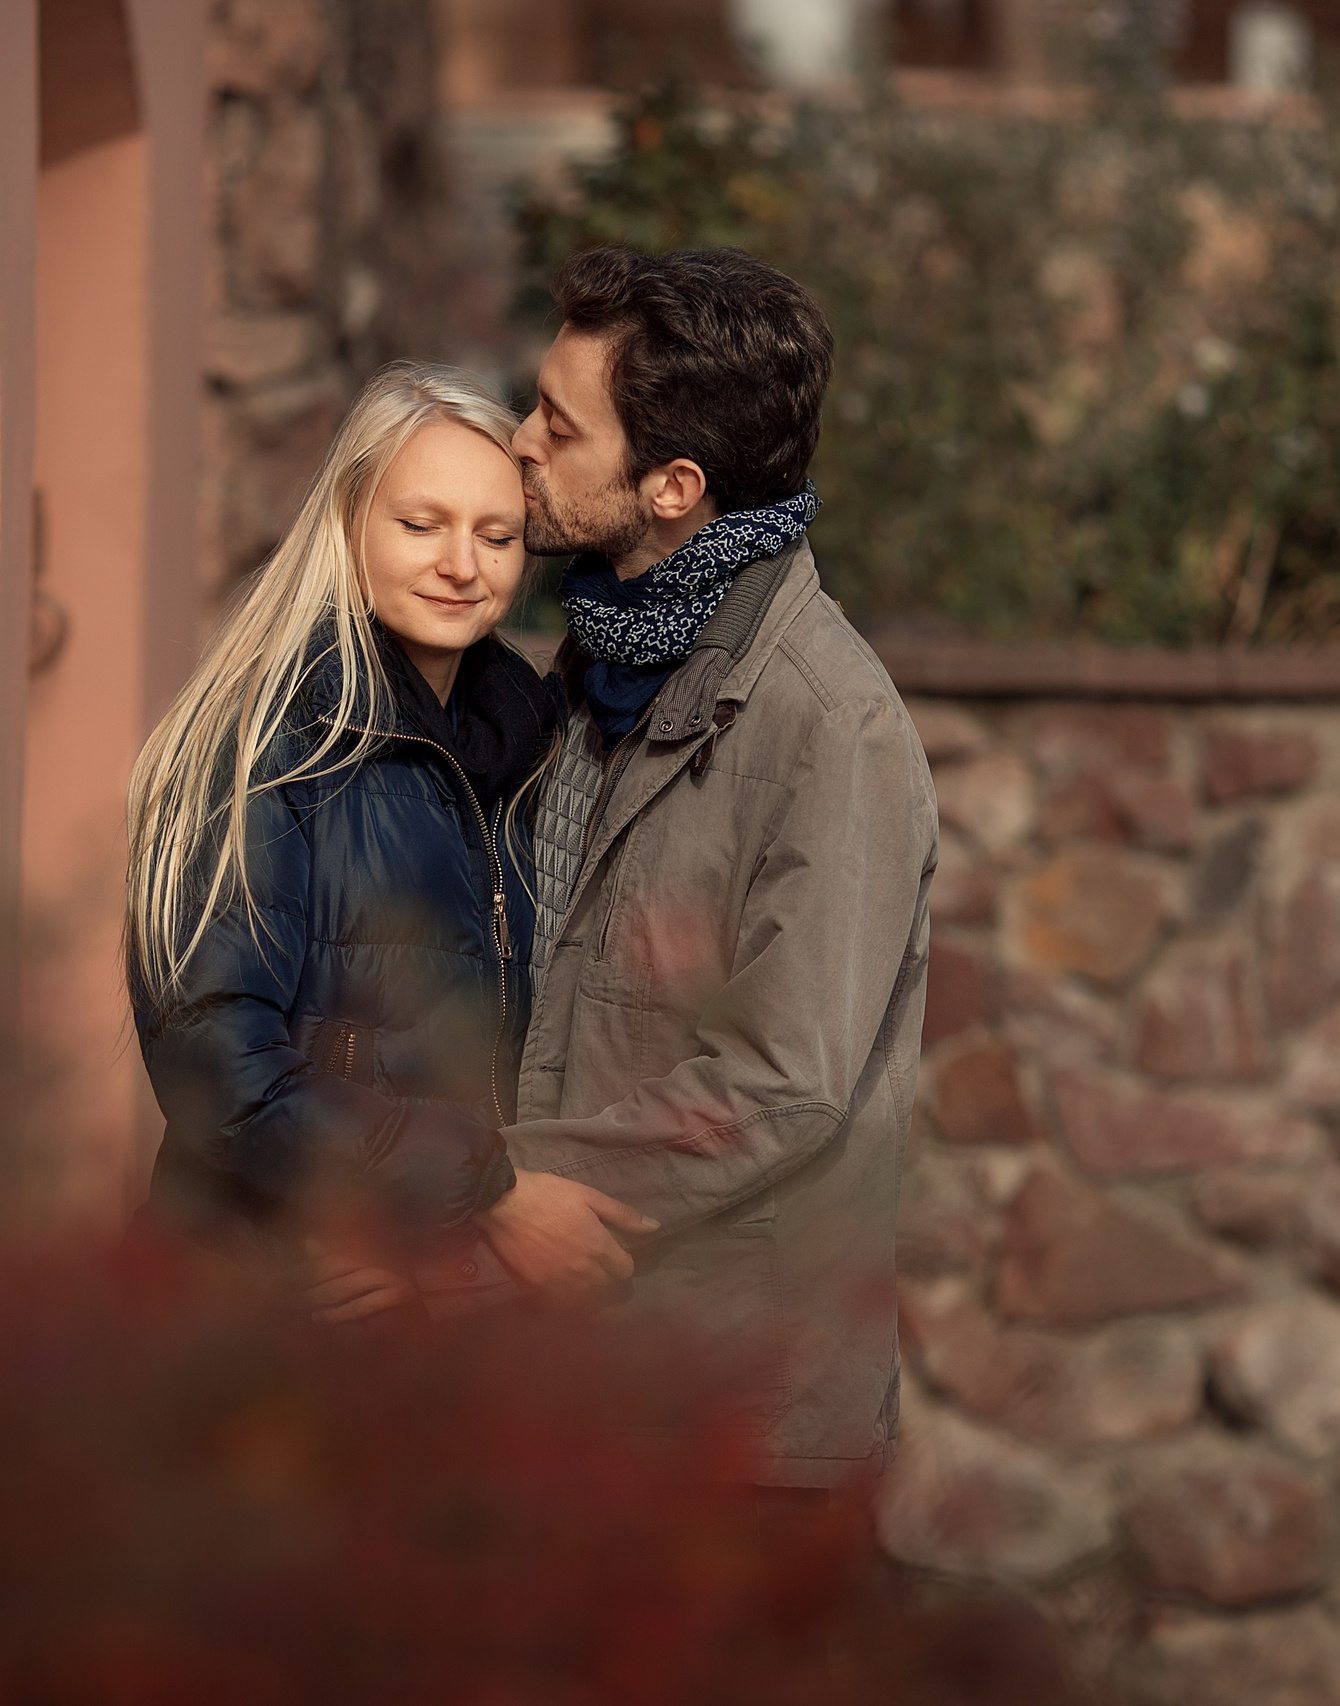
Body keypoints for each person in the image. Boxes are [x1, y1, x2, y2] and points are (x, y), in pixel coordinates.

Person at [482, 248, 939, 1489]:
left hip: (735, 1427)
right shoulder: (591, 667)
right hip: (568, 1384)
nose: (519, 442)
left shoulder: (828, 724)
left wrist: (505, 1192)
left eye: (558, 426)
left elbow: (784, 1080)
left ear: (674, 486)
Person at [125, 362, 650, 1322]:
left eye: (496, 536)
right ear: (348, 522)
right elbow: (215, 1061)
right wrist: (481, 1192)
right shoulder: (262, 740)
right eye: (420, 525)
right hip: (272, 1296)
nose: (463, 565)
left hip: (445, 1296)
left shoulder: (537, 746)